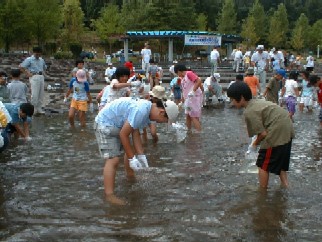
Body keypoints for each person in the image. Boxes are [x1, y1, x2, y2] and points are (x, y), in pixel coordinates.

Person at [94, 97, 179, 205]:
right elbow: (123, 134)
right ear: (161, 112)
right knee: (113, 159)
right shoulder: (141, 110)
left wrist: (141, 155)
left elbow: (135, 133)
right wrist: (131, 158)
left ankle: (130, 176)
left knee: (131, 150)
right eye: (164, 121)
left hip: (117, 126)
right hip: (105, 125)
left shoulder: (147, 111)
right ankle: (109, 195)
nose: (160, 123)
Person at [227, 81, 294, 188]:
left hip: (277, 131)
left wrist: (253, 145)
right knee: (280, 163)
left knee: (263, 164)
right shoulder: (257, 102)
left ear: (241, 97)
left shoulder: (249, 111)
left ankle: (262, 192)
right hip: (287, 129)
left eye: (233, 99)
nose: (232, 103)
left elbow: (262, 134)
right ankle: (286, 186)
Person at [174, 64, 203, 132]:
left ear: (179, 71)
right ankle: (188, 131)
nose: (178, 75)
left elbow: (198, 80)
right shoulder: (183, 78)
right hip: (188, 100)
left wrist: (193, 91)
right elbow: (184, 90)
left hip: (194, 98)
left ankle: (199, 133)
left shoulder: (189, 73)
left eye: (177, 73)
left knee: (193, 116)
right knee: (188, 116)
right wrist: (182, 101)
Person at [20, 46, 47, 115]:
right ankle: (33, 109)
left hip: (41, 76)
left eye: (39, 54)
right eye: (37, 54)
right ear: (33, 52)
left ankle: (39, 108)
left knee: (41, 93)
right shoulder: (29, 59)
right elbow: (21, 67)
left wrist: (44, 74)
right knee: (35, 94)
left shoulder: (41, 60)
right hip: (34, 76)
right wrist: (28, 73)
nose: (38, 55)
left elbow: (44, 67)